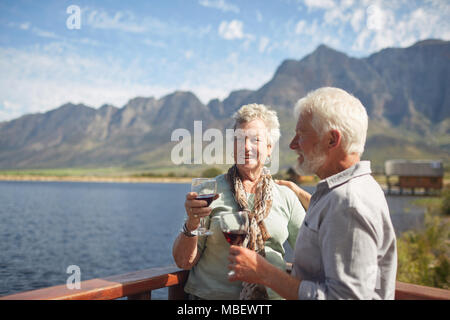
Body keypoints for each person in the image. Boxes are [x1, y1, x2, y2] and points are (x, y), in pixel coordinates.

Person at [228, 87, 398, 300]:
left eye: (301, 135)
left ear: (331, 140)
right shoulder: (341, 195)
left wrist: (265, 274)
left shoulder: (348, 203)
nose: (292, 145)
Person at [172, 103, 306, 300]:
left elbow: (311, 252)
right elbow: (184, 262)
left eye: (255, 140)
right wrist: (191, 224)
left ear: (269, 149)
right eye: (239, 139)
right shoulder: (208, 191)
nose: (246, 147)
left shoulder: (285, 196)